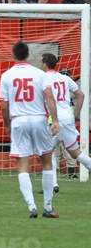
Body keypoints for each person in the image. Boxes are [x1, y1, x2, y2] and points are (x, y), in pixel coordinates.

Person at [0, 41, 60, 218]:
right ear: (28, 55)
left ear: (14, 55)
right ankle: (48, 207)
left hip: (19, 120)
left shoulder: (7, 75)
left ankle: (31, 206)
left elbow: (4, 105)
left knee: (22, 165)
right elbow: (49, 96)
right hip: (38, 118)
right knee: (46, 161)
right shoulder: (39, 74)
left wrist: (8, 125)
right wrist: (54, 120)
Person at [40, 56, 89, 191]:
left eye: (41, 62)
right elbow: (81, 95)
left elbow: (47, 97)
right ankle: (53, 184)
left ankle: (52, 184)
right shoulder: (65, 78)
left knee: (74, 154)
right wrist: (75, 115)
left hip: (56, 120)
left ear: (45, 64)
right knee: (49, 151)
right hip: (67, 119)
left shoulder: (43, 78)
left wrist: (54, 118)